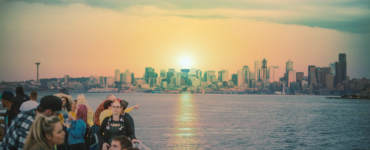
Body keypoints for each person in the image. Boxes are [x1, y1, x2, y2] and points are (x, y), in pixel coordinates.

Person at [1, 95, 67, 150]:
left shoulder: (28, 115)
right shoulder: (28, 123)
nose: (57, 117)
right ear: (49, 112)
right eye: (57, 114)